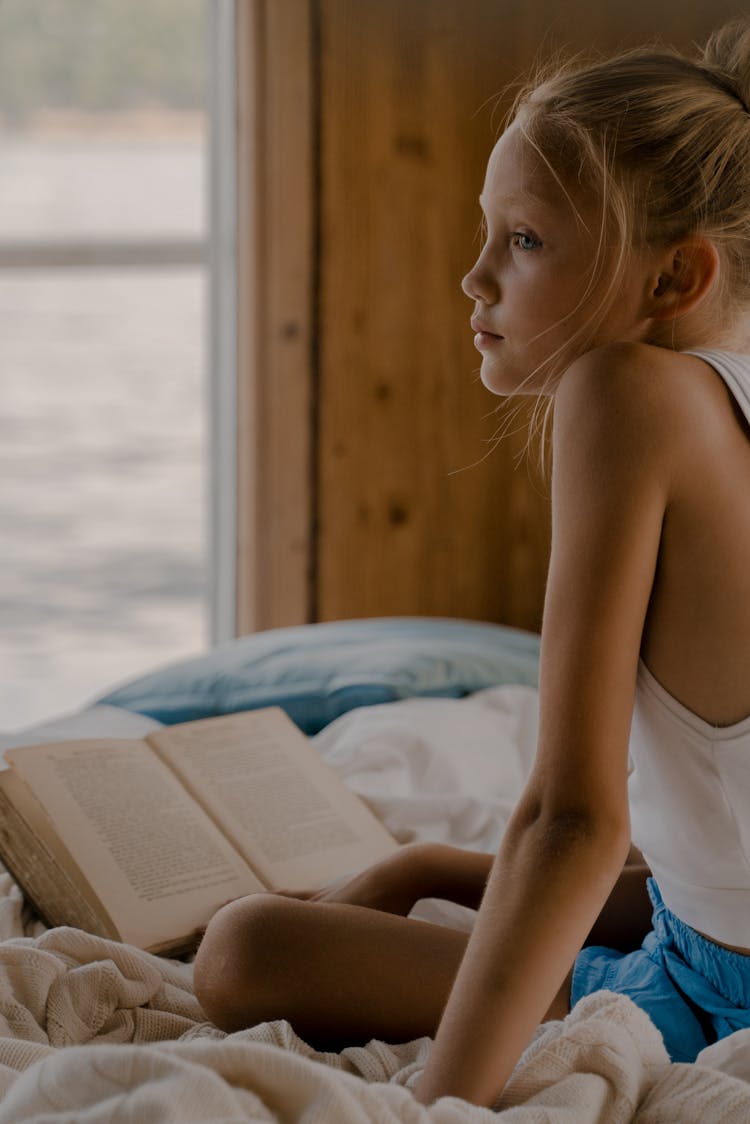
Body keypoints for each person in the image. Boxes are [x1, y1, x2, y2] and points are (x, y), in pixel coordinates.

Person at [194, 18, 750, 1108]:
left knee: (241, 953)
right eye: (488, 232)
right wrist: (426, 868)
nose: (475, 276)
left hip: (707, 984)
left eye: (527, 240)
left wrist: (437, 1100)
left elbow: (574, 819)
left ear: (674, 275)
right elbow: (720, 846)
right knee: (258, 944)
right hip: (694, 940)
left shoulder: (628, 395)